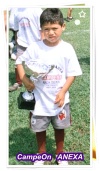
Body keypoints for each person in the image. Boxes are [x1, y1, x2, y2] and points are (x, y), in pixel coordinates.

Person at [16, 8, 82, 165]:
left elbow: (72, 74)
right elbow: (19, 61)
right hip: (39, 100)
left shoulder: (67, 49)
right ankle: (41, 154)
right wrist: (25, 80)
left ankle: (60, 154)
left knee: (60, 128)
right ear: (41, 30)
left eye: (55, 28)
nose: (51, 32)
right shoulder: (35, 47)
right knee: (40, 129)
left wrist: (63, 91)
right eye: (46, 29)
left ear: (63, 27)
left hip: (60, 101)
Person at [9, 8, 43, 92]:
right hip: (22, 43)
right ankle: (18, 82)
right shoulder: (16, 11)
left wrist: (42, 44)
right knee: (18, 63)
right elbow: (17, 30)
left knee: (38, 64)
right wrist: (17, 42)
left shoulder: (37, 10)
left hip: (36, 43)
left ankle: (40, 82)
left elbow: (41, 29)